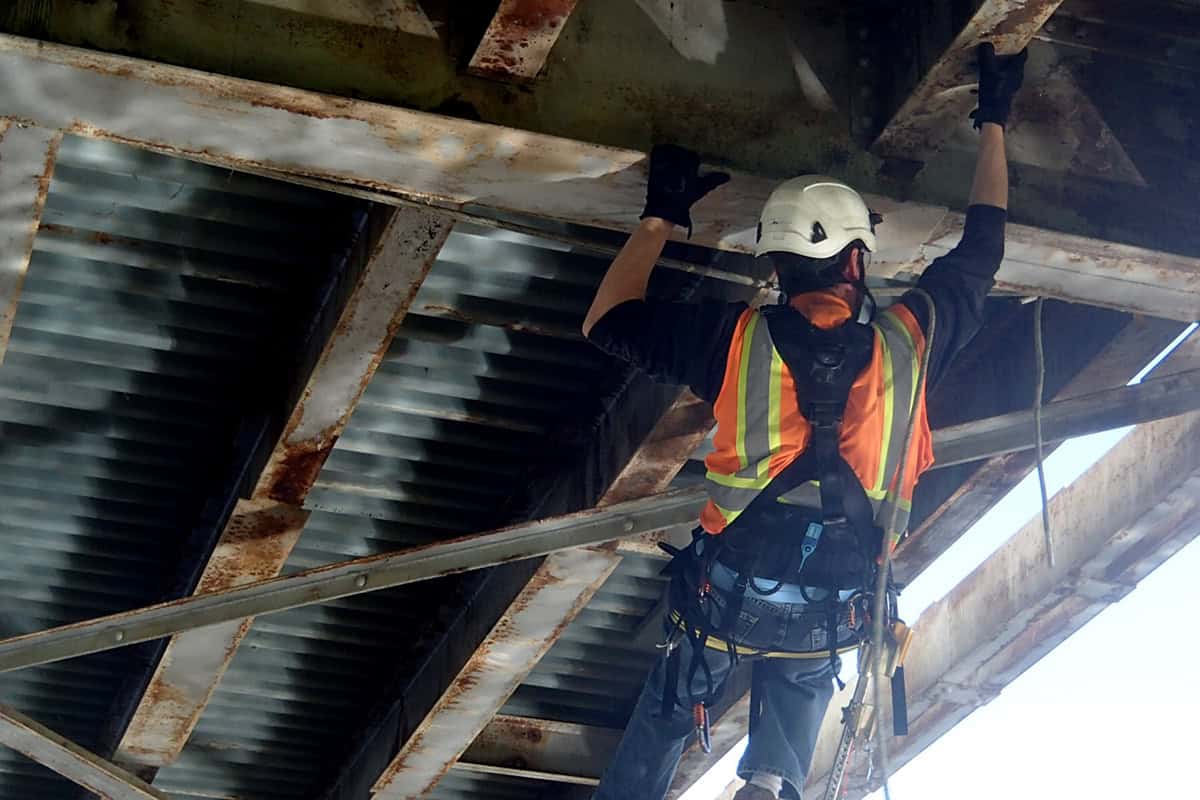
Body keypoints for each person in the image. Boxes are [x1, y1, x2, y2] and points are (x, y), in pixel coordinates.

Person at [582, 44, 1027, 800]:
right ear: (857, 260)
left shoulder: (735, 338)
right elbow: (984, 245)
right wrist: (995, 118)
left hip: (730, 591)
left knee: (672, 705)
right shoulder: (914, 335)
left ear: (776, 266)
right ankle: (768, 784)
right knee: (803, 669)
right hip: (836, 601)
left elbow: (606, 320)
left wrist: (660, 215)